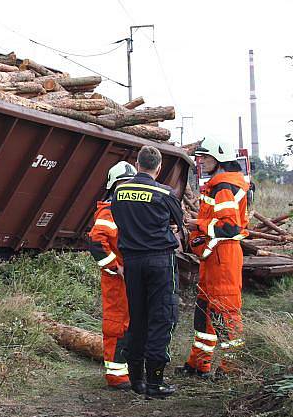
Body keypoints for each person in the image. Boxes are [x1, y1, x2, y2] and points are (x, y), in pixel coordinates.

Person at [110, 145, 184, 399]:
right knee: (162, 318)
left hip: (132, 262)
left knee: (137, 318)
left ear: (137, 165)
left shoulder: (119, 191)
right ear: (158, 167)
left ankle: (136, 380)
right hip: (159, 261)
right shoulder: (165, 193)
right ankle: (155, 383)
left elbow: (118, 220)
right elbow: (178, 223)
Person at [177, 137, 249, 378]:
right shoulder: (219, 185)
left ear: (220, 159)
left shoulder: (224, 187)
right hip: (215, 258)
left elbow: (229, 227)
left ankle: (232, 371)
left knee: (226, 315)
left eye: (206, 157)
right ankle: (198, 364)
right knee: (204, 313)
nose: (201, 161)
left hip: (224, 258)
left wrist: (198, 223)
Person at [88, 161, 137, 390]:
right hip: (117, 280)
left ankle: (130, 369)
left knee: (134, 324)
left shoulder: (131, 209)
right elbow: (97, 242)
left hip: (134, 277)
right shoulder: (109, 211)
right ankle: (116, 375)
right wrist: (115, 267)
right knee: (117, 325)